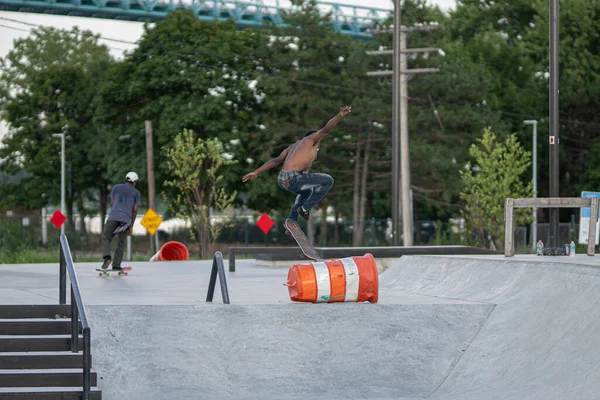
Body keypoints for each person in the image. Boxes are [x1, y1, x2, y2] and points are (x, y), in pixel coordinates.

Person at [242, 106, 351, 222]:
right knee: (329, 180)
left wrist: (257, 171)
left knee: (307, 191)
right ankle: (305, 209)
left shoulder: (292, 147)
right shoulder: (312, 140)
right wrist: (340, 115)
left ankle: (292, 220)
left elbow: (276, 160)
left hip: (283, 180)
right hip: (293, 179)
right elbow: (326, 129)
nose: (317, 151)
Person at [101, 171, 141, 271]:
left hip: (113, 216)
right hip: (126, 219)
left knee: (106, 237)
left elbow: (112, 202)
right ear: (134, 182)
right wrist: (131, 226)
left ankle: (107, 258)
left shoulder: (116, 187)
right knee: (121, 242)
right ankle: (116, 265)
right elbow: (135, 210)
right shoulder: (136, 193)